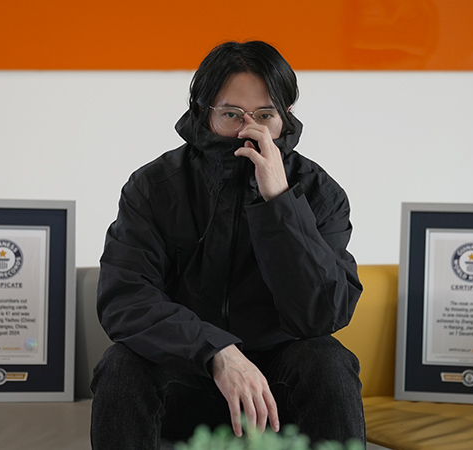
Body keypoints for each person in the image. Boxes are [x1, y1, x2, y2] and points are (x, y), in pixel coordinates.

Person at [90, 40, 365, 449]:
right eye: (231, 114)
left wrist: (279, 203)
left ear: (286, 118)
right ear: (204, 114)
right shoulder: (154, 187)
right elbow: (124, 299)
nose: (248, 130)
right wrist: (217, 351)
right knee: (119, 365)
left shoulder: (320, 193)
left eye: (265, 116)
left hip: (275, 393)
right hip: (185, 374)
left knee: (330, 361)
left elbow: (321, 316)